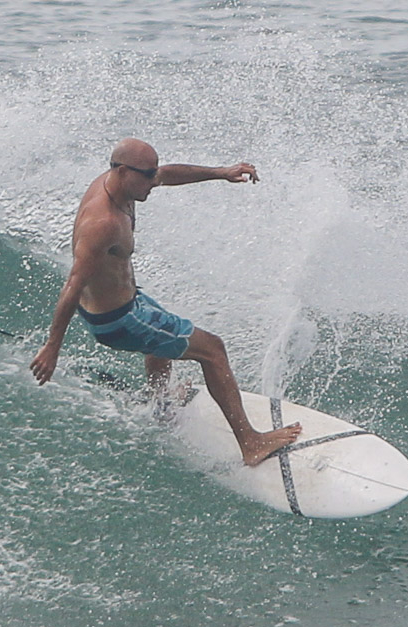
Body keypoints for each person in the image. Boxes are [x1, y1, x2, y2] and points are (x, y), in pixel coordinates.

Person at [30, 138, 302, 466]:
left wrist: (221, 172)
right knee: (213, 351)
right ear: (121, 171)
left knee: (161, 340)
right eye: (147, 175)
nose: (153, 181)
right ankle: (251, 443)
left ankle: (160, 405)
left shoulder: (123, 185)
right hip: (117, 320)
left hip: (129, 303)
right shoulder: (103, 223)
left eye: (152, 173)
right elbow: (74, 285)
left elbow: (168, 174)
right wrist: (52, 347)